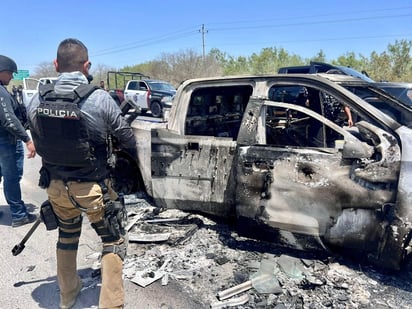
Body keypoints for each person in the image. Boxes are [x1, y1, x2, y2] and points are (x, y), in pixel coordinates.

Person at [27, 38, 138, 309]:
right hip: (93, 190)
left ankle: (68, 296)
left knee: (66, 238)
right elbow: (127, 138)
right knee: (113, 241)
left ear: (56, 65)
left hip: (55, 187)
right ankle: (111, 305)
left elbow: (37, 138)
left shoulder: (36, 99)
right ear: (86, 65)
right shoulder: (98, 98)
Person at [0, 55, 37, 227]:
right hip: (6, 142)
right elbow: (9, 119)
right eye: (10, 73)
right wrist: (27, 139)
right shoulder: (1, 92)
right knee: (12, 177)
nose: (12, 77)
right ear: (2, 72)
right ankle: (18, 214)